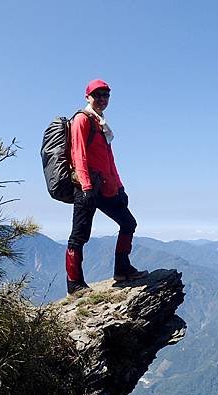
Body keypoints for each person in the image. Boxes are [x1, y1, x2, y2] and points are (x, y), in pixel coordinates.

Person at [65, 79, 148, 295]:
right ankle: (75, 284)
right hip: (88, 187)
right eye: (97, 95)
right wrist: (86, 187)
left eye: (106, 95)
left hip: (107, 187)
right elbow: (79, 155)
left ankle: (122, 270)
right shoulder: (82, 120)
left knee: (128, 223)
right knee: (79, 236)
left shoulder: (100, 124)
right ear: (88, 97)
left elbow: (109, 161)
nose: (102, 99)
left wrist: (120, 188)